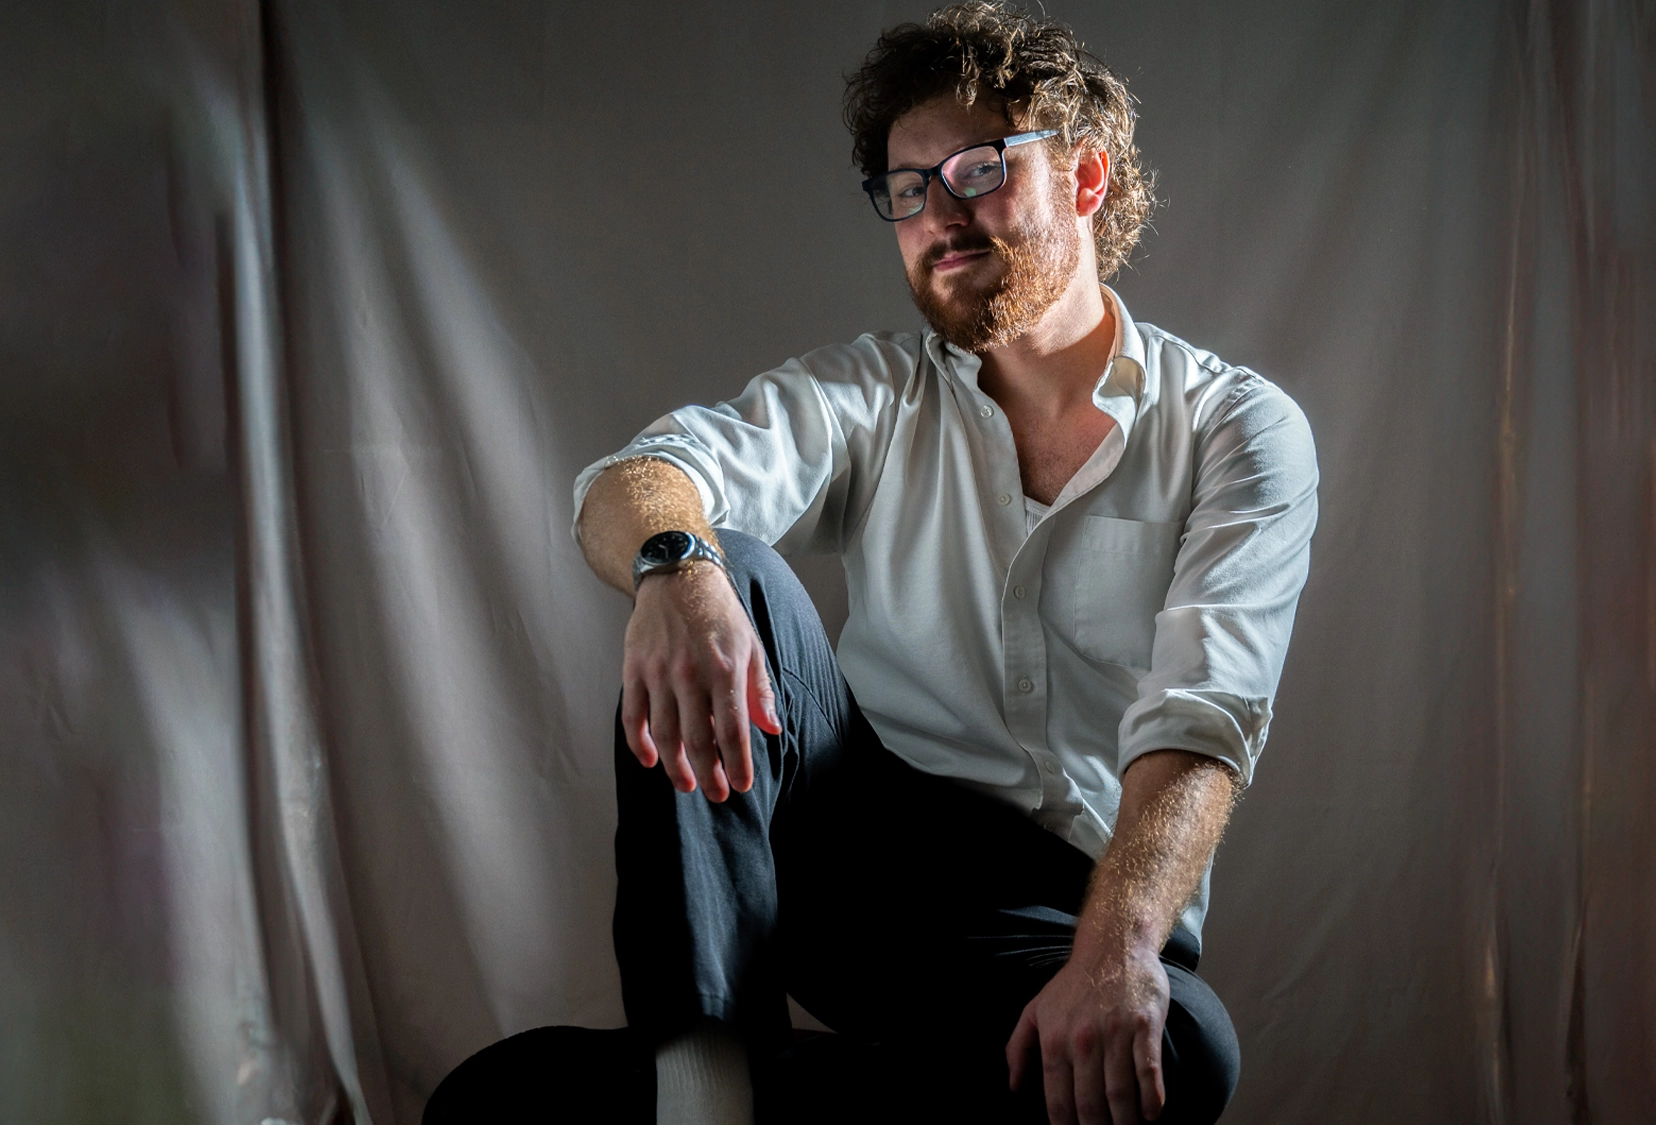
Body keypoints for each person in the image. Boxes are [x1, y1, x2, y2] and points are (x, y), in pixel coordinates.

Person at [425, 4, 1317, 1124]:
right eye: (905, 189)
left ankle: (711, 1091)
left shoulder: (1238, 428)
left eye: (978, 170)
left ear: (1085, 178)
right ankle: (701, 1088)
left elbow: (1203, 718)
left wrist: (1119, 952)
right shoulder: (874, 393)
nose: (937, 215)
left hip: (1066, 919)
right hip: (860, 878)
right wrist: (675, 563)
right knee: (728, 569)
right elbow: (642, 475)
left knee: (1182, 1049)